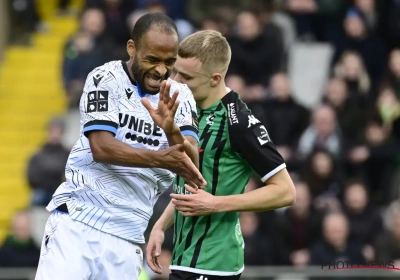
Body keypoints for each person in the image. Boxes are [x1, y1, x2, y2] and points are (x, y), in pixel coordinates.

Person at [35, 13, 206, 280]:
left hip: (128, 235)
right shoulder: (105, 78)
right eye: (152, 59)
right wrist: (160, 158)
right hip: (78, 222)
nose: (161, 70)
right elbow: (102, 148)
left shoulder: (181, 96)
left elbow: (191, 163)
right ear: (132, 48)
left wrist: (171, 130)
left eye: (169, 62)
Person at [146, 30, 296, 280]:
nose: (175, 81)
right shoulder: (190, 110)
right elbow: (193, 186)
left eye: (187, 77)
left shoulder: (239, 122)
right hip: (185, 258)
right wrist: (160, 227)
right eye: (176, 71)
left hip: (213, 263)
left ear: (215, 78)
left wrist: (216, 204)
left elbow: (286, 191)